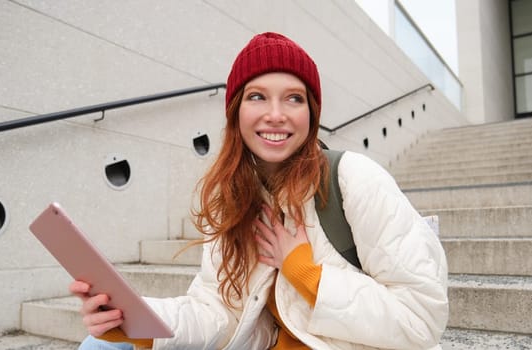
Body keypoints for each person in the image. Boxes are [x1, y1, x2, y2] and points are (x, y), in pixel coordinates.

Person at [70, 32, 448, 350]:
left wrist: (304, 270)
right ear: (235, 111)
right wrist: (136, 321)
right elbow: (217, 312)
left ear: (311, 114)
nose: (276, 114)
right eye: (257, 96)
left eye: (294, 98)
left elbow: (421, 321)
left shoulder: (353, 179)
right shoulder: (233, 200)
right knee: (104, 344)